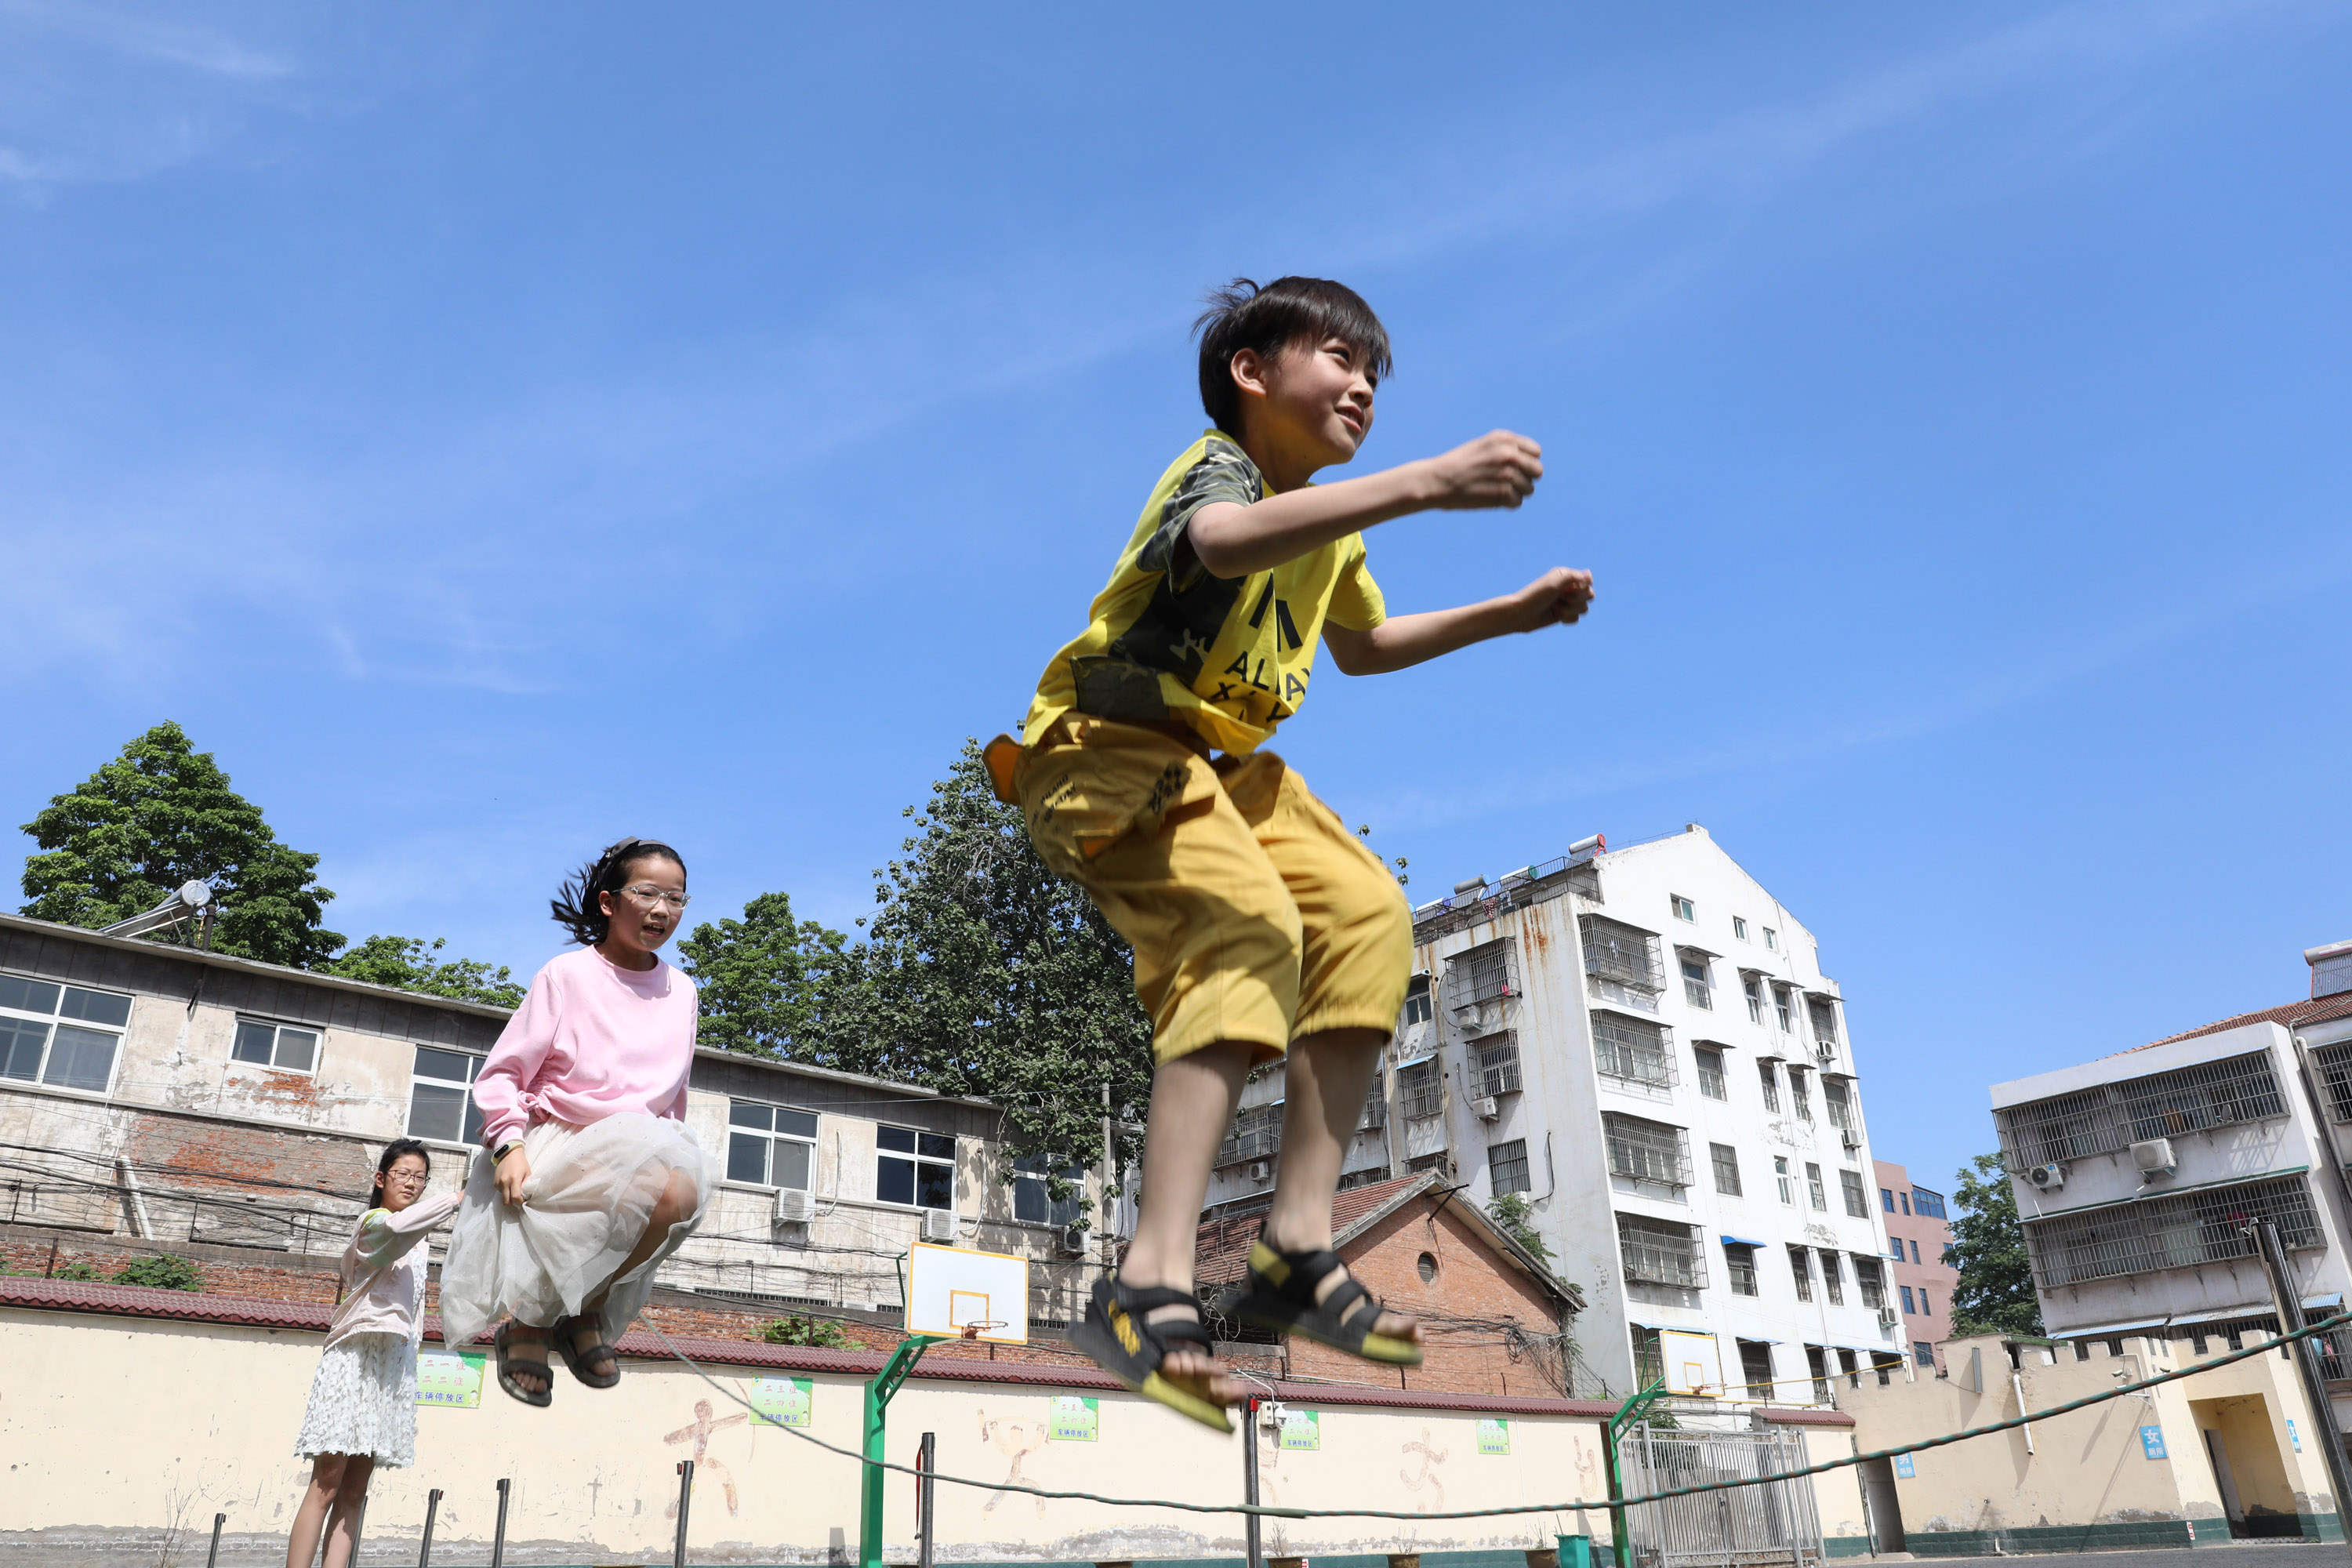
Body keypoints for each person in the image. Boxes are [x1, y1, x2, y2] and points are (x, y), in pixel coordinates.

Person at [984, 277, 1594, 1430]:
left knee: (1366, 915)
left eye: (1376, 374)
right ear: (1252, 375)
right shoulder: (1219, 467)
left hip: (1222, 769)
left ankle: (1294, 1249)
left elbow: (1363, 645)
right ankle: (1145, 1282)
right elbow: (1216, 549)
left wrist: (1505, 614)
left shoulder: (1329, 523)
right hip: (1106, 744)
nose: (1362, 385)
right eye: (1335, 358)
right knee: (1249, 925)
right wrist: (1423, 484)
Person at [437, 837, 710, 1406]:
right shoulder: (567, 975)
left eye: (677, 899)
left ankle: (578, 1310)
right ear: (610, 903)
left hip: (641, 1146)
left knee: (681, 1193)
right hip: (557, 1143)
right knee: (649, 1183)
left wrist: (670, 1149)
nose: (663, 910)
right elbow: (503, 1073)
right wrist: (507, 1145)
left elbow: (672, 1095)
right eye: (648, 894)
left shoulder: (683, 991)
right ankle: (530, 1323)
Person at [287, 1139, 459, 1568]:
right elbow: (398, 1231)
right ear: (381, 1178)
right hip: (355, 1355)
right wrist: (458, 1197)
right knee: (327, 1481)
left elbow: (414, 1312)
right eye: (402, 1174)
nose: (411, 1184)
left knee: (356, 1489)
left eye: (419, 1178)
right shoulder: (374, 1223)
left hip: (392, 1362)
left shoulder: (421, 1245)